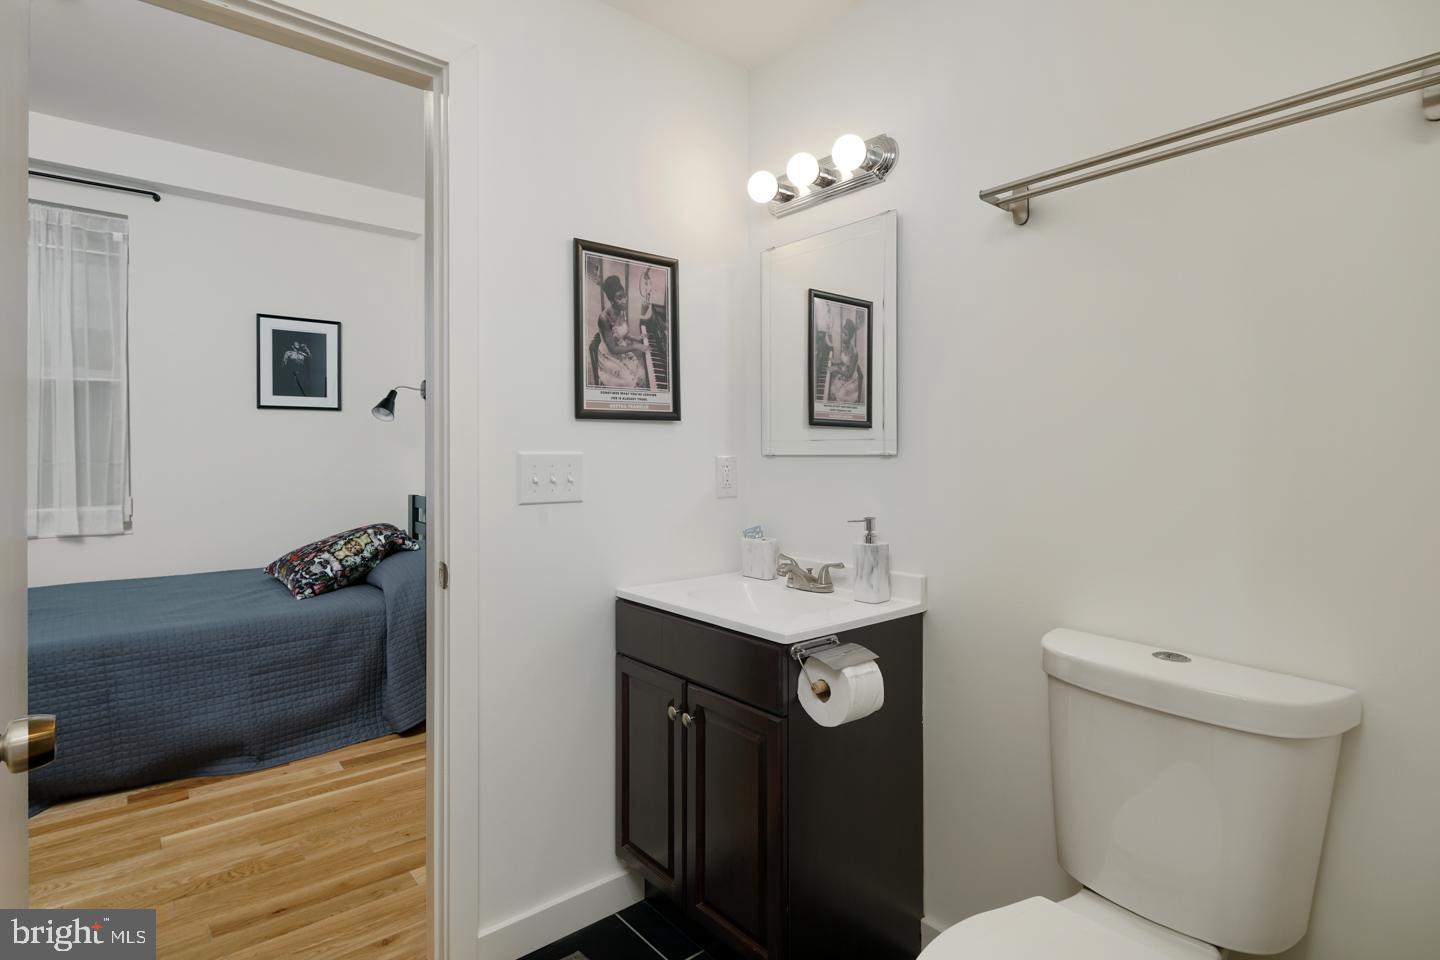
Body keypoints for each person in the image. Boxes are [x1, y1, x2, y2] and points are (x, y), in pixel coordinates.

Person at [590, 274, 650, 389]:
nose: (624, 300)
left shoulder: (621, 311)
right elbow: (613, 349)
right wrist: (636, 346)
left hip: (620, 348)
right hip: (609, 354)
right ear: (612, 300)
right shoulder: (604, 318)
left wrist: (638, 338)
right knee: (628, 381)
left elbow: (623, 333)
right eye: (619, 298)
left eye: (625, 296)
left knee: (641, 373)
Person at [827, 313, 863, 404]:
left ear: (850, 337)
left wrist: (836, 369)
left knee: (840, 395)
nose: (842, 335)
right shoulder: (844, 345)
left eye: (845, 334)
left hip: (850, 379)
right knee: (831, 387)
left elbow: (849, 374)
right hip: (844, 372)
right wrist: (835, 361)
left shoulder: (854, 352)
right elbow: (844, 360)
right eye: (842, 332)